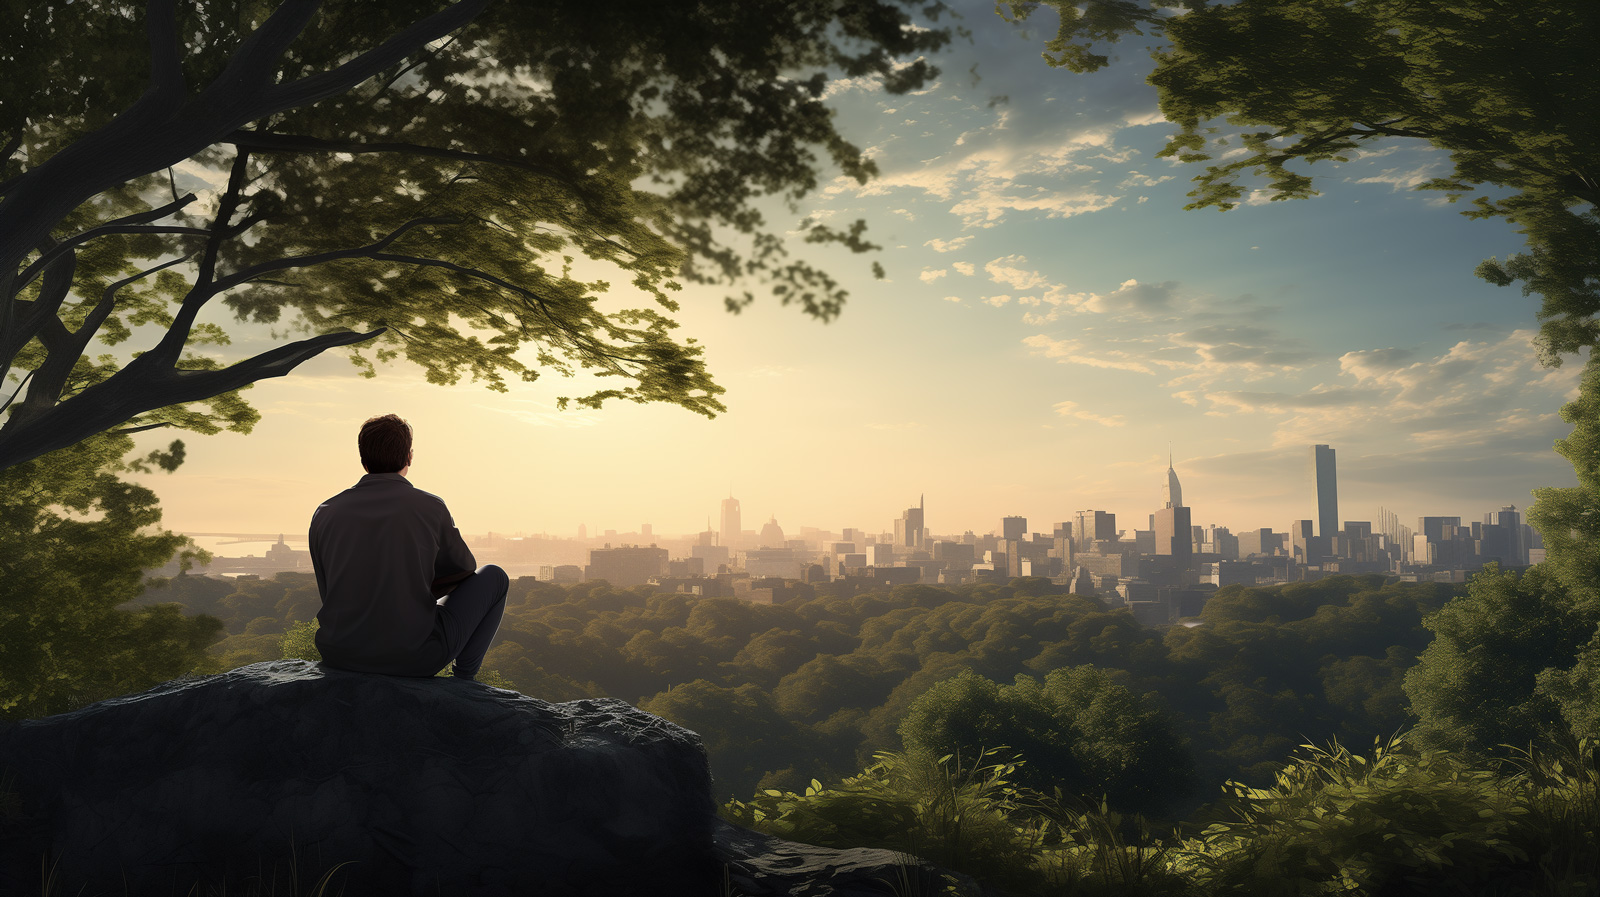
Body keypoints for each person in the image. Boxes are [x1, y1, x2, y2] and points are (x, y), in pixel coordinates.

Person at [308, 413, 508, 680]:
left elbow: (329, 589)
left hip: (339, 655)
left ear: (362, 458)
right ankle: (464, 682)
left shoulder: (325, 512)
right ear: (409, 457)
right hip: (411, 657)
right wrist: (415, 588)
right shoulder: (430, 507)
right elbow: (464, 570)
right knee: (494, 576)